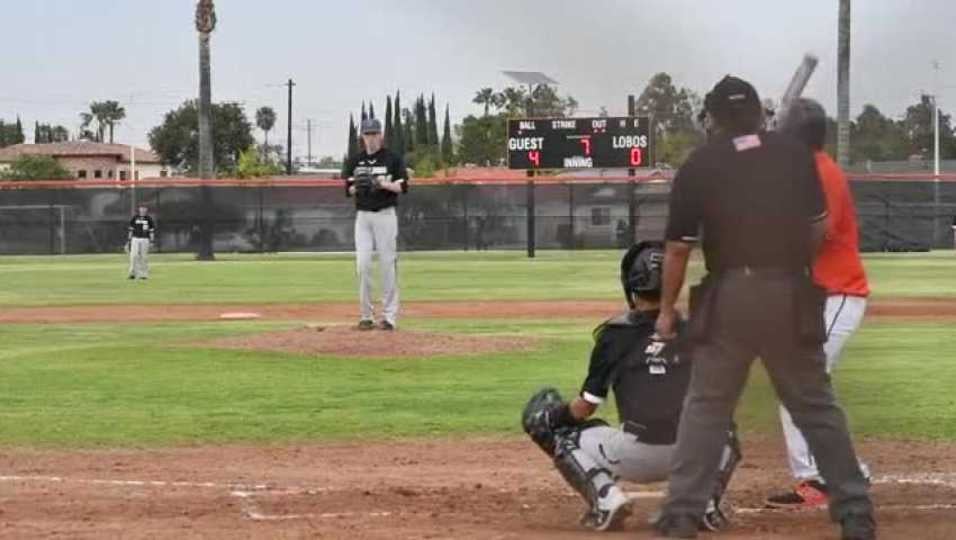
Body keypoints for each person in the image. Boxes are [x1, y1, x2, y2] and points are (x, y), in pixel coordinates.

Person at [652, 76, 874, 540]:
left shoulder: (700, 163)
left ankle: (680, 518)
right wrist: (793, 265)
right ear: (758, 113)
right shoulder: (794, 155)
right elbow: (816, 228)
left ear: (712, 118)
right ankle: (855, 513)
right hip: (788, 291)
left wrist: (667, 309)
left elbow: (677, 249)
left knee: (706, 409)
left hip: (729, 295)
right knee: (816, 405)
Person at [521, 242, 740, 533]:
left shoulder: (614, 335)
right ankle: (701, 503)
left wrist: (553, 418)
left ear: (631, 285)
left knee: (564, 433)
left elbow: (585, 408)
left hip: (634, 456)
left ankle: (607, 499)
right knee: (725, 427)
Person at [764, 98, 871, 509]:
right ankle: (843, 471)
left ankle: (818, 479)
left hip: (837, 294)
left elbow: (814, 232)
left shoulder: (820, 173)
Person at [342, 118, 409, 331]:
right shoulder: (355, 161)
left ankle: (389, 317)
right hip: (363, 217)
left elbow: (402, 187)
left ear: (381, 135)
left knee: (388, 264)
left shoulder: (393, 159)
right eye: (367, 134)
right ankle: (366, 315)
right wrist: (359, 186)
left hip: (385, 215)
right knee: (362, 265)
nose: (371, 138)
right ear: (362, 137)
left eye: (374, 133)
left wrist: (381, 183)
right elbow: (348, 190)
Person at [127, 204, 155, 280]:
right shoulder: (135, 218)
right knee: (134, 256)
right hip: (135, 239)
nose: (143, 210)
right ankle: (133, 273)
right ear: (139, 209)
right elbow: (130, 230)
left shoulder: (149, 219)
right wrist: (129, 240)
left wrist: (152, 241)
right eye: (141, 208)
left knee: (144, 257)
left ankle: (144, 274)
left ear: (146, 210)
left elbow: (151, 231)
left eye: (144, 208)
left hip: (145, 239)